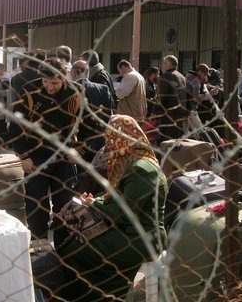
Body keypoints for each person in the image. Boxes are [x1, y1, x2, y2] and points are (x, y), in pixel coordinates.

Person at [53, 114, 167, 301]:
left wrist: (95, 205)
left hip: (142, 236)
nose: (109, 145)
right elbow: (119, 200)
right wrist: (95, 201)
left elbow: (124, 212)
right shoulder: (134, 162)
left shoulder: (141, 169)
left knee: (79, 250)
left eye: (112, 139)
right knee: (76, 242)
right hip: (131, 230)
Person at [9, 57, 81, 242]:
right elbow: (15, 127)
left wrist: (79, 151)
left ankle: (63, 246)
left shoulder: (76, 92)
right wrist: (23, 156)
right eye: (46, 81)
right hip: (35, 157)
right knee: (36, 206)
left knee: (65, 205)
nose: (49, 87)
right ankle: (39, 246)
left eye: (55, 83)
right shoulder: (28, 91)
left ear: (64, 78)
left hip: (64, 157)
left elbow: (88, 125)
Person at [70, 60, 113, 163]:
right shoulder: (103, 89)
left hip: (79, 143)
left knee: (81, 176)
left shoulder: (70, 91)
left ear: (74, 73)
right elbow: (109, 116)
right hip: (100, 140)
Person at [155, 55, 188, 142]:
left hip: (169, 115)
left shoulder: (166, 76)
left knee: (166, 141)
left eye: (164, 63)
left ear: (170, 64)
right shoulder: (182, 77)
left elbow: (161, 96)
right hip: (180, 114)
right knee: (177, 142)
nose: (162, 66)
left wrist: (155, 112)